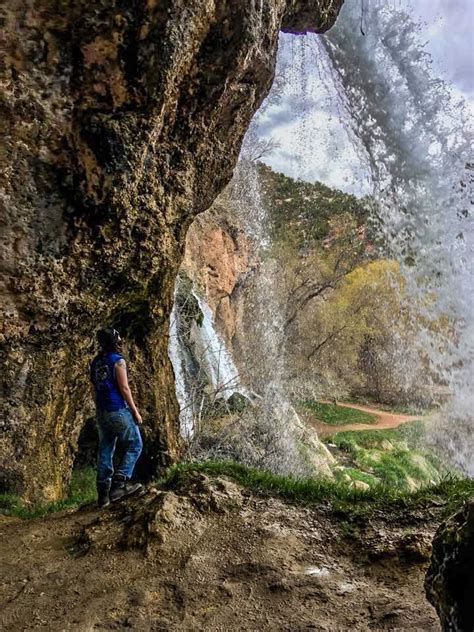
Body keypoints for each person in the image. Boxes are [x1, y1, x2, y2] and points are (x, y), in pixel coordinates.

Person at [90, 327, 143, 508]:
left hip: (102, 412)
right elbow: (124, 388)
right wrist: (135, 411)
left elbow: (93, 389)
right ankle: (119, 485)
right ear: (114, 340)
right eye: (119, 336)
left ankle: (103, 495)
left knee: (105, 449)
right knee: (135, 443)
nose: (121, 338)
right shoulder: (118, 361)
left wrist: (99, 408)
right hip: (117, 409)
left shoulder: (96, 362)